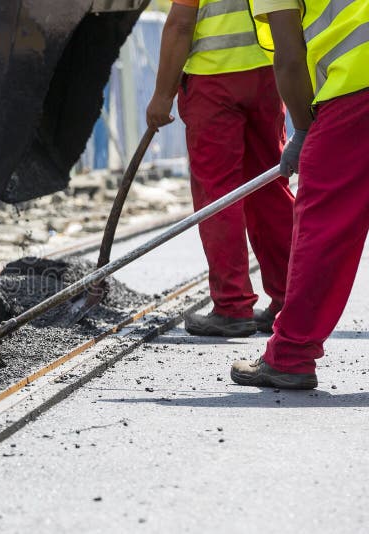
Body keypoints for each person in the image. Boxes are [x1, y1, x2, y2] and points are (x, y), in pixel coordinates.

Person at [231, 0, 369, 389]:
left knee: (324, 227)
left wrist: (305, 128)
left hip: (357, 88)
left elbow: (289, 58)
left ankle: (290, 356)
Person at [146, 0, 295, 337]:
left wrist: (161, 96)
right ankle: (290, 302)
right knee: (269, 188)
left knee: (218, 194)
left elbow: (180, 24)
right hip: (269, 76)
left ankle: (232, 307)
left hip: (213, 82)